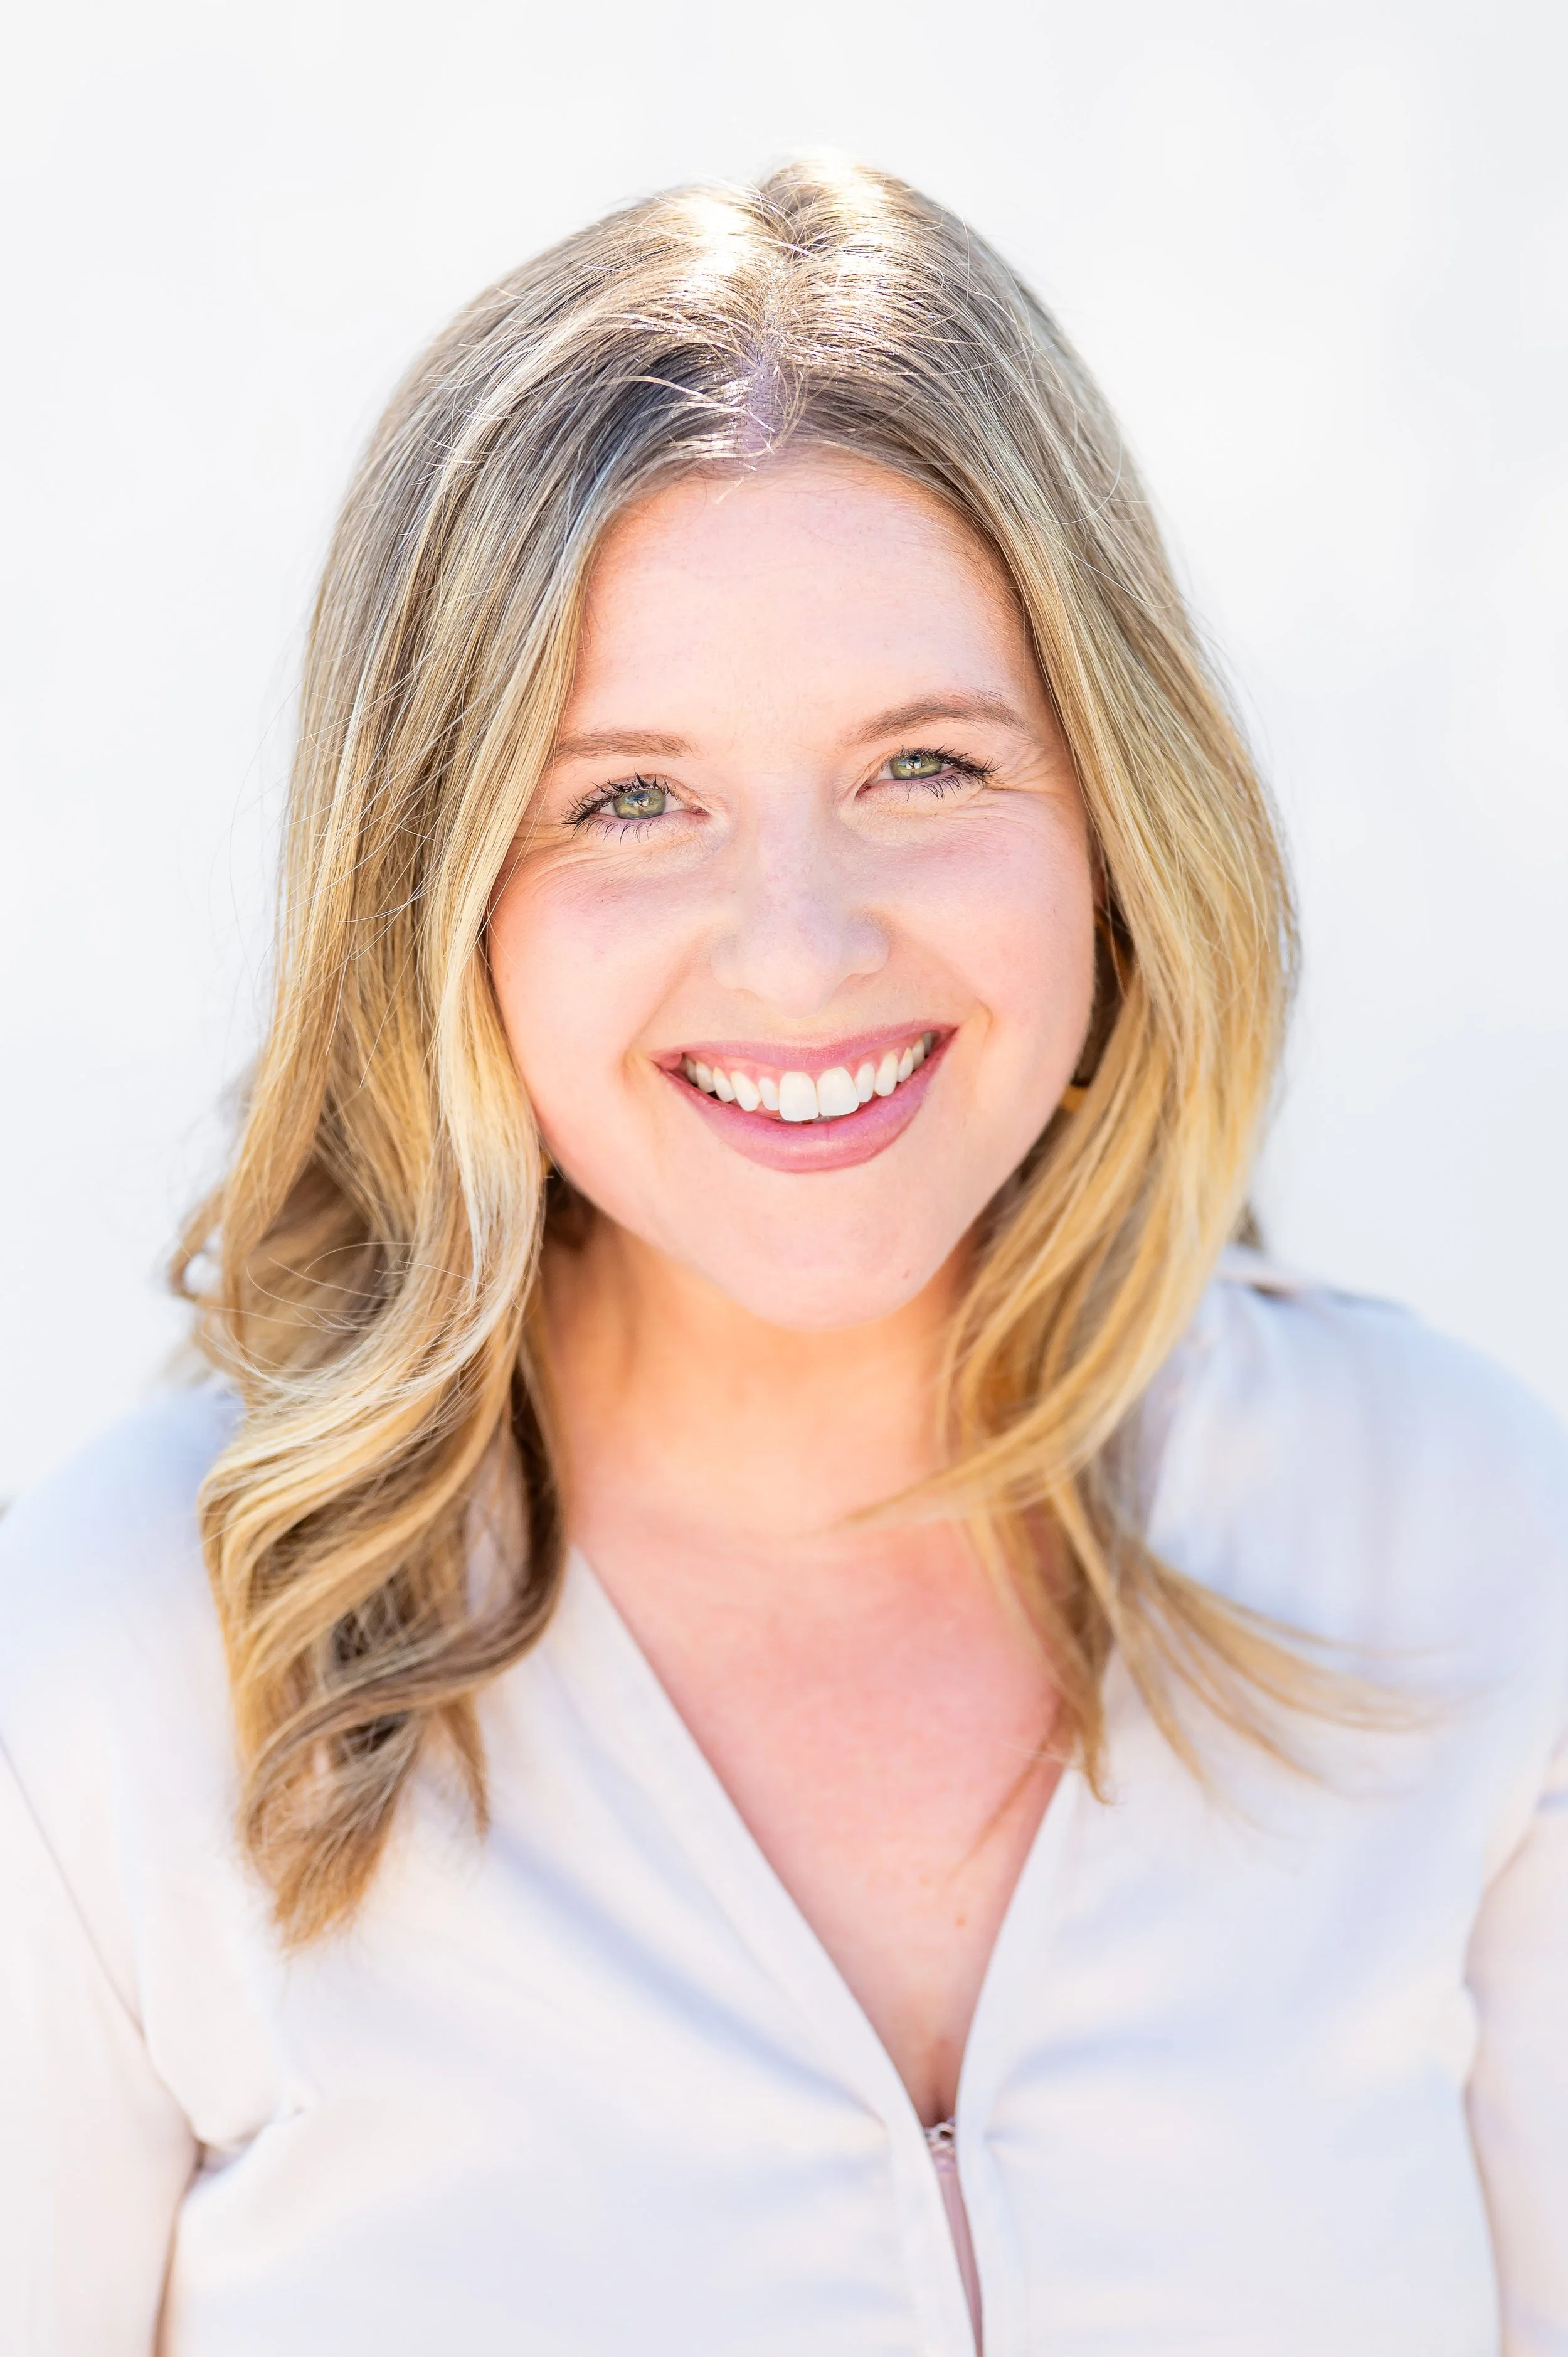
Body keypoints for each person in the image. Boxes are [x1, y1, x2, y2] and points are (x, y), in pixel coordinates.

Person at [1, 158, 1564, 2357]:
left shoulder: (1461, 1538)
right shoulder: (125, 1666)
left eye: (926, 765)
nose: (804, 951)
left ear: (1115, 819)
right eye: (629, 800)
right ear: (433, 888)